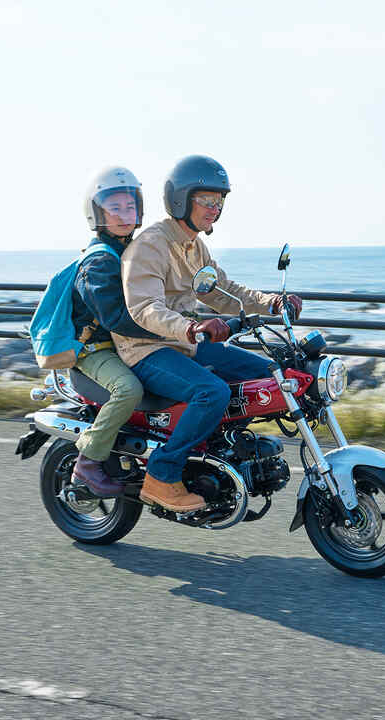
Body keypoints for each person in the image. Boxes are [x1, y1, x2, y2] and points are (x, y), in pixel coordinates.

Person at [112, 155, 302, 513]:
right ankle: (161, 473)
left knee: (265, 375)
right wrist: (192, 326)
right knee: (210, 391)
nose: (215, 209)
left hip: (186, 343)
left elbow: (222, 291)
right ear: (181, 199)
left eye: (220, 201)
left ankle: (217, 449)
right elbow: (144, 308)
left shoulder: (194, 245)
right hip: (146, 349)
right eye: (207, 200)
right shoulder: (151, 246)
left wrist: (272, 303)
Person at [71, 166, 161, 498]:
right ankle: (88, 460)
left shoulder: (132, 252)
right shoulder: (98, 262)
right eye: (115, 208)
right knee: (128, 389)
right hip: (95, 351)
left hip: (127, 346)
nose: (125, 214)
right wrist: (172, 330)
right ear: (98, 213)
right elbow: (116, 319)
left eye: (130, 206)